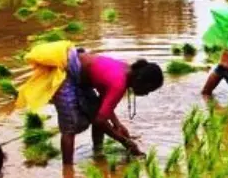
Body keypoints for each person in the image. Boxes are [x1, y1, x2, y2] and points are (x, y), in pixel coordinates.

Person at [16, 41, 163, 164]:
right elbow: (99, 121)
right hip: (67, 73)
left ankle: (97, 152)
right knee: (70, 127)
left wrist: (117, 125)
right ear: (140, 81)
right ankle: (68, 171)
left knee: (97, 111)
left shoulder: (126, 71)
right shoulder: (119, 83)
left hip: (79, 72)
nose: (146, 94)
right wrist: (125, 142)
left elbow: (104, 106)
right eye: (148, 89)